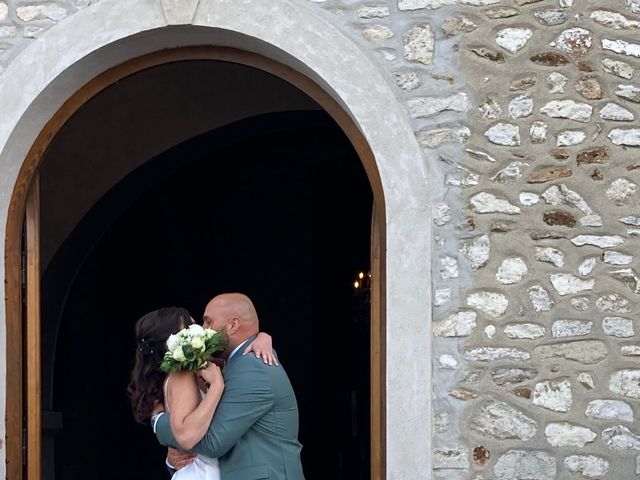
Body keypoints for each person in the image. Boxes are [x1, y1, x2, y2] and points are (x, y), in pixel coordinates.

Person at [154, 293, 305, 480]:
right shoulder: (234, 364)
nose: (203, 330)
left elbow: (212, 443)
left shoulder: (252, 367)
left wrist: (159, 423)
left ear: (233, 325)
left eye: (208, 323)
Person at [128, 306, 275, 479]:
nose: (202, 329)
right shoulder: (182, 374)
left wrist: (262, 338)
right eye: (190, 327)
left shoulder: (199, 368)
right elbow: (187, 436)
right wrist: (217, 387)